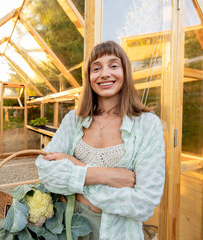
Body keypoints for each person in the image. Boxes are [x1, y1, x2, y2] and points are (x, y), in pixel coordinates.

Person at [35, 41, 165, 240]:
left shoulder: (147, 125)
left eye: (113, 65)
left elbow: (144, 203)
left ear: (126, 73)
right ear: (89, 77)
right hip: (71, 229)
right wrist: (105, 176)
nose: (104, 74)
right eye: (96, 68)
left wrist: (77, 172)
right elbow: (45, 170)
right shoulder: (74, 120)